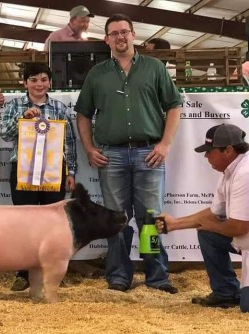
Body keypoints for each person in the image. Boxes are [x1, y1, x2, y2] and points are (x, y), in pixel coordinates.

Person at [74, 14, 183, 294]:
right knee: (115, 219)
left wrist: (165, 144)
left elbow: (173, 105)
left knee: (150, 219)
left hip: (150, 153)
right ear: (106, 39)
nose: (120, 37)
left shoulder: (155, 68)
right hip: (112, 157)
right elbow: (83, 113)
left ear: (133, 35)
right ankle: (119, 276)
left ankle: (157, 276)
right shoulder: (97, 74)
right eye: (114, 33)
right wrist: (89, 148)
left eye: (125, 32)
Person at [0, 62, 77, 291]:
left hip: (54, 172)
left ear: (50, 82)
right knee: (25, 223)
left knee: (54, 223)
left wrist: (70, 171)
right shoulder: (15, 106)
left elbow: (69, 142)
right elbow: (4, 134)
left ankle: (53, 273)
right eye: (33, 80)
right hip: (23, 171)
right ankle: (23, 272)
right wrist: (22, 118)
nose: (39, 84)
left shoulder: (60, 108)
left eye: (43, 79)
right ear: (25, 83)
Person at [157, 124, 249, 311]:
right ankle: (226, 293)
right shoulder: (231, 171)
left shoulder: (244, 174)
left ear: (228, 150)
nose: (206, 156)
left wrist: (210, 225)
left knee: (247, 308)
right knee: (208, 234)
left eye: (210, 151)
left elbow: (239, 228)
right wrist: (175, 224)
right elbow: (213, 213)